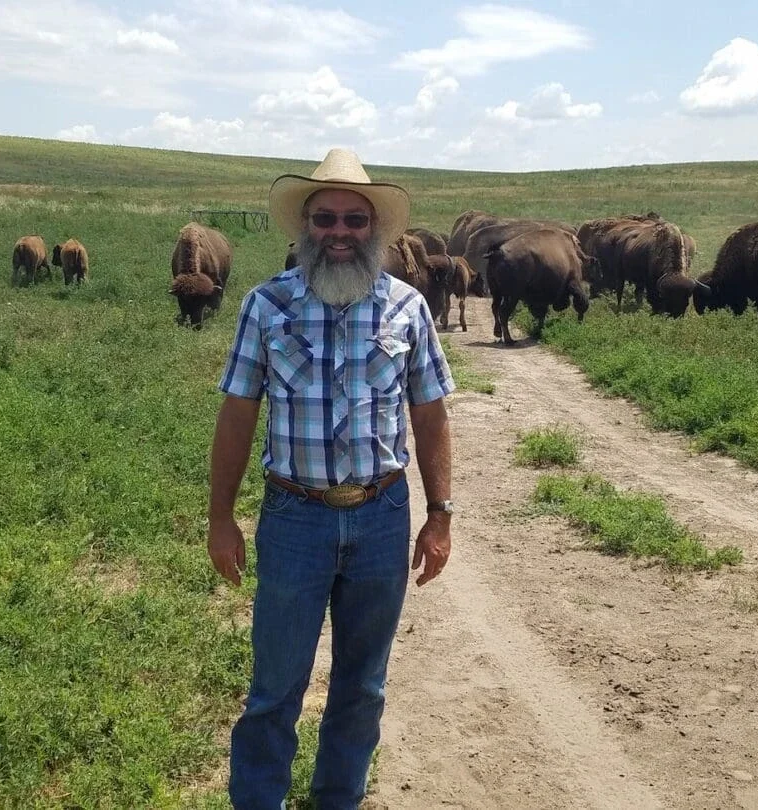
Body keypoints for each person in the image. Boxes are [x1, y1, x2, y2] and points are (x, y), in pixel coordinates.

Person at [207, 147, 456, 809]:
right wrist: (220, 517)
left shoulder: (408, 309)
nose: (339, 233)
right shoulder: (266, 307)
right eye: (326, 220)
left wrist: (440, 513)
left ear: (374, 231)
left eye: (354, 220)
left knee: (363, 688)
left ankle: (337, 800)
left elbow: (430, 416)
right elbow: (237, 412)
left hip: (380, 516)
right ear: (304, 227)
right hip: (295, 520)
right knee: (274, 690)